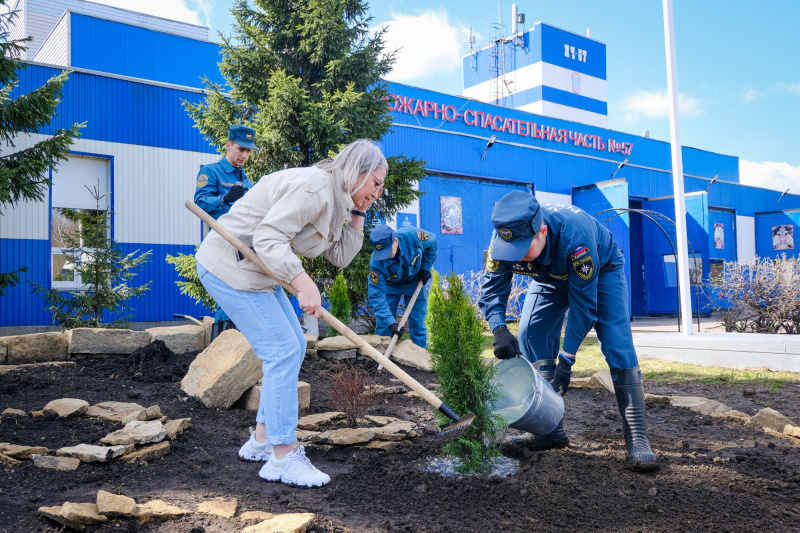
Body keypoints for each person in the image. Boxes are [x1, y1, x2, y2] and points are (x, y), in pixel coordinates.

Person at [195, 139, 387, 487]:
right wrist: (303, 284)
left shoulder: (340, 199)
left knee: (294, 345)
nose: (378, 192)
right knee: (281, 350)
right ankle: (282, 456)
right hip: (229, 264)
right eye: (375, 183)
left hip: (259, 272)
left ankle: (262, 439)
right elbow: (268, 238)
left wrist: (360, 211)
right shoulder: (313, 188)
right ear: (358, 171)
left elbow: (339, 256)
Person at [478, 190, 658, 471]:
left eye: (525, 247)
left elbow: (584, 308)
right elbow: (492, 290)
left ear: (543, 231)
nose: (519, 256)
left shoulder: (577, 240)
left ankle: (637, 438)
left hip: (601, 271)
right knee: (529, 332)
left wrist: (566, 361)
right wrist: (499, 329)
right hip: (548, 275)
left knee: (616, 341)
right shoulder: (505, 238)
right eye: (513, 250)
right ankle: (549, 431)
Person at [194, 125, 257, 341]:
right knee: (229, 296)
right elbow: (199, 203)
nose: (244, 155)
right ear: (228, 145)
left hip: (244, 246)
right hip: (222, 244)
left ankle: (234, 349)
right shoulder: (211, 172)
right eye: (240, 149)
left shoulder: (245, 178)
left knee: (242, 294)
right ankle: (219, 348)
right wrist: (225, 198)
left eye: (248, 151)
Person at [368, 224, 437, 348]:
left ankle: (419, 360)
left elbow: (432, 242)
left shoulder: (412, 236)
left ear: (395, 240)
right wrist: (391, 323)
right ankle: (381, 359)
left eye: (388, 251)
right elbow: (376, 296)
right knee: (384, 326)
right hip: (391, 286)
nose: (386, 256)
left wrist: (425, 268)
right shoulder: (376, 263)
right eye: (381, 253)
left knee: (417, 323)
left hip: (414, 280)